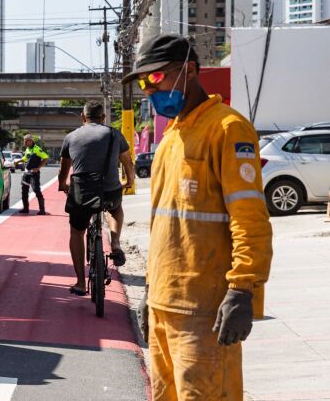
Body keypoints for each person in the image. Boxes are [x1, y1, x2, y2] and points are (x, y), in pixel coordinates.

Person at [126, 34, 273, 400]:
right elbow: (163, 224)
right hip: (164, 304)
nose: (148, 90)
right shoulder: (171, 138)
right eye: (144, 82)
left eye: (156, 78)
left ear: (189, 71)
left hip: (205, 309)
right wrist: (150, 290)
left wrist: (243, 288)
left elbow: (249, 216)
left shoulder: (227, 128)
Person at [57, 101, 134, 297]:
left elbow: (64, 169)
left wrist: (62, 185)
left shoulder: (71, 137)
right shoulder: (114, 134)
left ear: (83, 118)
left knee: (76, 231)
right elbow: (127, 161)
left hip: (82, 193)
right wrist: (130, 180)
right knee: (115, 209)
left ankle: (81, 283)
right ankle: (115, 242)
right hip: (109, 190)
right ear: (103, 118)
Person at [19, 134, 50, 215]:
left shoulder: (37, 149)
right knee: (24, 191)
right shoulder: (27, 149)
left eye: (26, 141)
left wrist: (38, 168)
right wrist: (17, 161)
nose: (25, 143)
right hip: (26, 172)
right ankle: (25, 208)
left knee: (36, 189)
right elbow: (25, 158)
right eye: (24, 141)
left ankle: (42, 210)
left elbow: (46, 157)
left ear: (31, 141)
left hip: (34, 173)